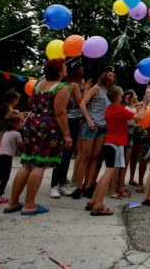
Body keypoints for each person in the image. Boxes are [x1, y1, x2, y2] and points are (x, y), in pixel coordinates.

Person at [3, 58, 73, 216]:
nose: (66, 69)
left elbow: (30, 102)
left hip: (32, 124)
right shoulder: (62, 87)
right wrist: (67, 135)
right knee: (39, 165)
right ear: (60, 71)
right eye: (64, 67)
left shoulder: (38, 83)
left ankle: (12, 203)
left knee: (27, 163)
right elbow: (60, 112)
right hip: (48, 128)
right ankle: (29, 205)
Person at [86, 86, 149, 215]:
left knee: (105, 174)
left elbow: (123, 113)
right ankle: (98, 205)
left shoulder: (110, 109)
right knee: (108, 175)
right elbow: (140, 117)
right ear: (119, 97)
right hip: (116, 145)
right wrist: (145, 104)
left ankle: (93, 200)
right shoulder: (120, 110)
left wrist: (125, 102)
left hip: (109, 143)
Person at [74, 69, 115, 199]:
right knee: (85, 157)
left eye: (113, 76)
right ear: (103, 76)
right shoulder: (96, 89)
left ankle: (88, 187)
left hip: (103, 128)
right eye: (109, 75)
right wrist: (89, 119)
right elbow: (82, 104)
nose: (112, 78)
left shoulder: (111, 93)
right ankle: (79, 187)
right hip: (92, 126)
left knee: (94, 158)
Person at [50, 62, 85, 198]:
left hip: (74, 120)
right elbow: (81, 101)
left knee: (66, 154)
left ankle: (62, 184)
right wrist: (86, 90)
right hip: (71, 120)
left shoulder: (68, 85)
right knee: (63, 154)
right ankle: (55, 185)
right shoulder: (74, 85)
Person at [0, 89, 22, 191]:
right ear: (14, 99)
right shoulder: (13, 112)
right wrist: (21, 116)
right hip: (4, 138)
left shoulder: (3, 109)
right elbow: (19, 123)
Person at [0, 113, 24, 204]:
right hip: (7, 158)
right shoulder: (17, 134)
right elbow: (21, 145)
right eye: (21, 122)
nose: (23, 124)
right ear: (15, 124)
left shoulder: (6, 133)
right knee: (5, 178)